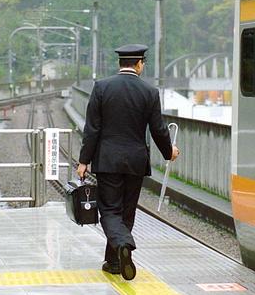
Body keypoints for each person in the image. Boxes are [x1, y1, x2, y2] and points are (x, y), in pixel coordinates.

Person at [77, 43, 180, 280]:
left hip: (107, 160)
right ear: (139, 64)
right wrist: (169, 152)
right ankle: (114, 261)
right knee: (126, 212)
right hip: (135, 161)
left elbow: (92, 129)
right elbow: (158, 129)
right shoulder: (149, 92)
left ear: (120, 63)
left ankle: (123, 245)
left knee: (110, 211)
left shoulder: (102, 87)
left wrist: (84, 161)